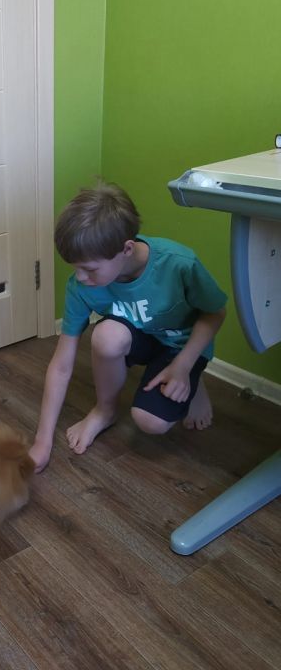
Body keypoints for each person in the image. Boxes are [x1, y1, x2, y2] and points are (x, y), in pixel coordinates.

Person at [29, 181, 227, 473]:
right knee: (105, 336)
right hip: (142, 338)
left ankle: (192, 380)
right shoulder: (81, 287)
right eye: (75, 267)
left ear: (126, 249)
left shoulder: (179, 264)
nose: (80, 277)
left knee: (151, 422)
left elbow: (215, 313)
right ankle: (104, 411)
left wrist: (184, 366)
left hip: (180, 346)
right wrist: (42, 442)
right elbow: (61, 365)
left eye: (89, 269)